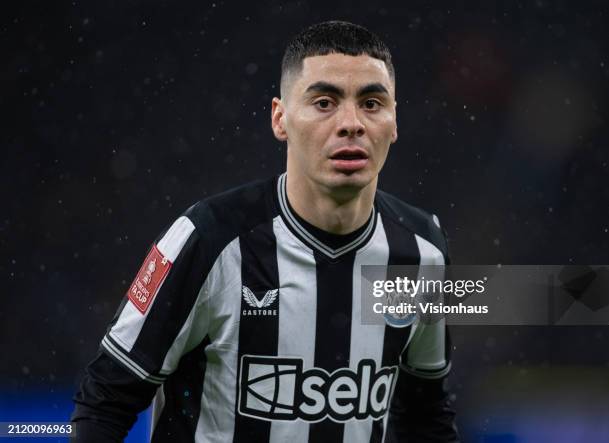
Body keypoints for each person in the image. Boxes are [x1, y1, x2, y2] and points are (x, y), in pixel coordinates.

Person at [71, 20, 459, 442]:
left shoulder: (423, 252)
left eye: (371, 103)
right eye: (325, 102)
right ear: (280, 118)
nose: (352, 123)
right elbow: (105, 402)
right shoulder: (209, 239)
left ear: (394, 121)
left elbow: (426, 413)